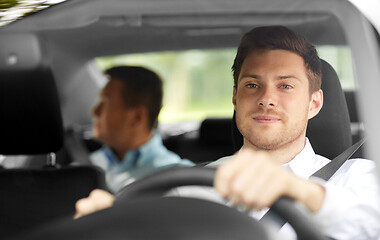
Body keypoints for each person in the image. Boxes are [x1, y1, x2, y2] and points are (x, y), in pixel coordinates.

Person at [74, 26, 380, 239]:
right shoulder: (186, 189)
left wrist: (299, 190)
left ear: (314, 103)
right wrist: (106, 227)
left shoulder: (358, 178)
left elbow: (371, 225)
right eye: (252, 85)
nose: (266, 98)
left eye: (285, 85)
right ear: (235, 98)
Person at [88, 66, 194, 193]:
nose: (95, 111)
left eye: (105, 101)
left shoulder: (181, 178)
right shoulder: (86, 165)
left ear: (137, 117)